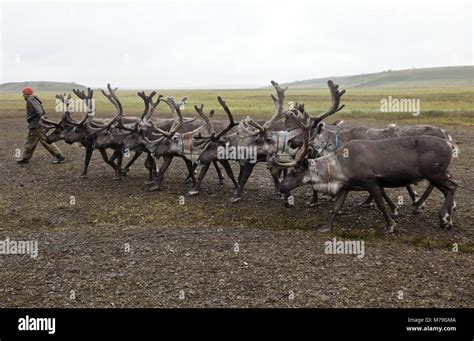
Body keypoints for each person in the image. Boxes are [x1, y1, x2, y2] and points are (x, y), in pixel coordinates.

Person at [16, 86, 65, 164]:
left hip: (37, 125)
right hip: (35, 125)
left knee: (45, 141)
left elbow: (39, 111)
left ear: (26, 93)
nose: (23, 95)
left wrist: (30, 118)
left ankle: (59, 156)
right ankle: (25, 158)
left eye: (23, 93)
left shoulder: (30, 99)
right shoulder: (33, 99)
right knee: (30, 141)